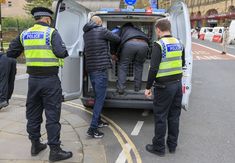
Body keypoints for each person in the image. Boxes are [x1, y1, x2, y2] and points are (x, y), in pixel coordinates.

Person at [7, 7, 72, 162]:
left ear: (36, 19)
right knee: (52, 115)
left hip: (33, 81)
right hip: (50, 80)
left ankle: (35, 145)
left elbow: (11, 53)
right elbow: (61, 53)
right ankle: (55, 151)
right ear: (48, 19)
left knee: (33, 114)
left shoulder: (25, 34)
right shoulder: (51, 33)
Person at [145, 19, 185, 156]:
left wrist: (148, 87)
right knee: (174, 116)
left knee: (161, 117)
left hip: (163, 87)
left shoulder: (159, 44)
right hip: (177, 85)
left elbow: (153, 68)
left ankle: (159, 148)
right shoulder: (179, 43)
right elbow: (182, 62)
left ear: (158, 30)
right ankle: (172, 146)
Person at [83, 16, 120, 138]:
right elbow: (117, 39)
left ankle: (98, 121)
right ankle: (92, 128)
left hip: (92, 69)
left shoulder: (86, 33)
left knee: (96, 95)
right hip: (100, 70)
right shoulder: (102, 30)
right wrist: (116, 30)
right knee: (100, 98)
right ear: (99, 23)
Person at [116, 22, 149, 94]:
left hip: (130, 43)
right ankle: (137, 88)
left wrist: (114, 53)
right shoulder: (138, 30)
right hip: (144, 44)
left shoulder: (122, 29)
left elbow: (115, 39)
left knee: (123, 66)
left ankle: (121, 89)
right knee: (139, 66)